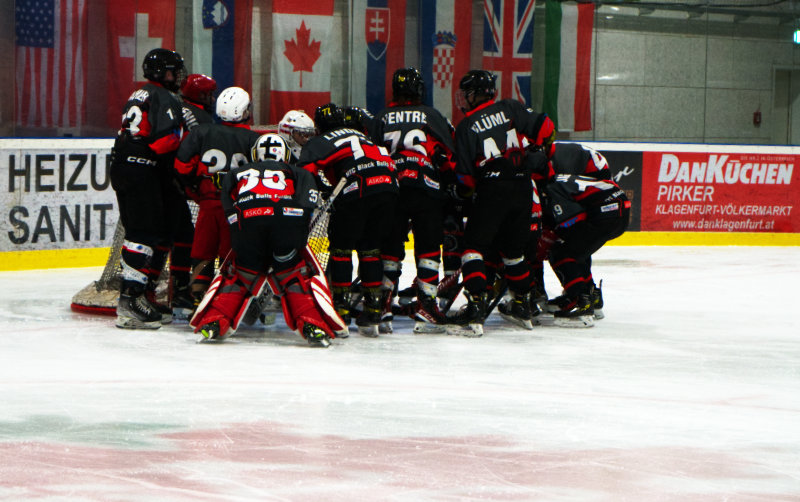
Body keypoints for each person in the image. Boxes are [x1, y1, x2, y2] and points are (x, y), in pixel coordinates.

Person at [190, 134, 345, 345]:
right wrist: (295, 234)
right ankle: (312, 324)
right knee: (293, 274)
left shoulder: (235, 173)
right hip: (286, 223)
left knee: (239, 274)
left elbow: (227, 202)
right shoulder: (296, 171)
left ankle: (214, 321)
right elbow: (308, 202)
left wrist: (239, 226)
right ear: (286, 154)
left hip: (247, 224)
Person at [451, 69, 555, 336]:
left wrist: (464, 196)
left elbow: (465, 179)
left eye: (467, 94)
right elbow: (546, 128)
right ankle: (522, 304)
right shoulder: (510, 107)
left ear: (475, 94)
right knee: (513, 252)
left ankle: (476, 307)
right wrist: (538, 152)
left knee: (473, 247)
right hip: (522, 188)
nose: (464, 99)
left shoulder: (465, 126)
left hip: (492, 188)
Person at [110, 48, 194, 329]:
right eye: (174, 70)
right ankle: (130, 301)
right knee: (142, 233)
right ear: (163, 73)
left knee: (151, 230)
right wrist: (179, 171)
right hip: (140, 168)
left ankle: (140, 294)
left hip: (125, 163)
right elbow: (164, 142)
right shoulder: (164, 96)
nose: (177, 76)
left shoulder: (139, 93)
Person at [299, 102, 398, 337]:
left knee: (341, 248)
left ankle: (340, 310)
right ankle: (373, 310)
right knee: (370, 247)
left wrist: (320, 190)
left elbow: (306, 171)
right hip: (390, 186)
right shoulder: (359, 134)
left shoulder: (320, 140)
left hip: (359, 186)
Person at [373, 67, 456, 334]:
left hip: (392, 186)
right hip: (426, 185)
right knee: (429, 247)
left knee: (389, 245)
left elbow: (370, 154)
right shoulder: (432, 115)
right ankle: (426, 305)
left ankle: (383, 303)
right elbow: (449, 155)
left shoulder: (382, 117)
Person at [174, 87, 261, 311]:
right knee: (230, 255)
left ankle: (197, 297)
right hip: (236, 210)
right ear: (243, 111)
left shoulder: (201, 132)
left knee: (202, 252)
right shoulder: (254, 139)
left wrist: (196, 192)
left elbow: (182, 166)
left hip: (207, 206)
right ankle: (227, 298)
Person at [538, 173, 630, 327]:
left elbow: (572, 220)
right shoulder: (558, 179)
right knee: (577, 251)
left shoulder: (550, 189)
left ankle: (580, 302)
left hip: (607, 212)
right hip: (619, 210)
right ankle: (591, 296)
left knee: (561, 253)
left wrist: (551, 238)